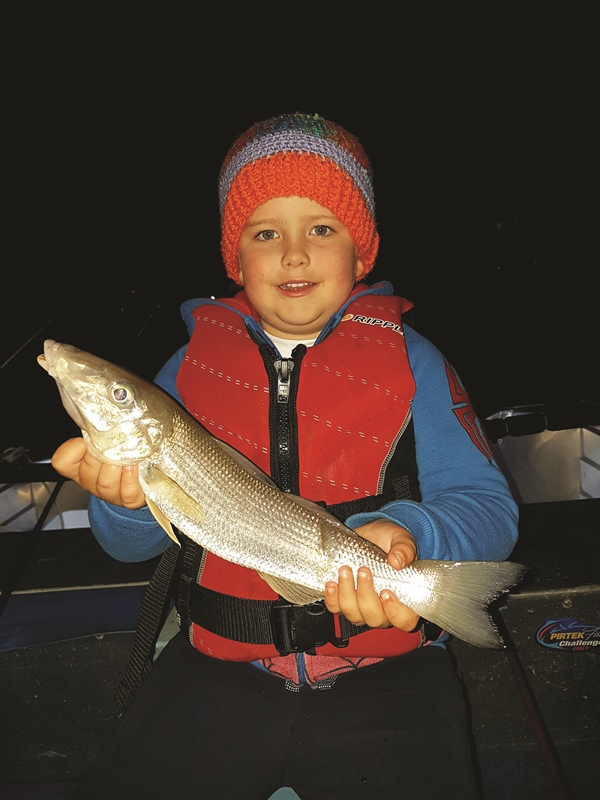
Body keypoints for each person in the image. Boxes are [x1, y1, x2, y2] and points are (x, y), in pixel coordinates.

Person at [52, 112, 519, 800]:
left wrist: (411, 535)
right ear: (233, 258)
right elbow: (126, 547)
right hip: (216, 668)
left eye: (322, 229)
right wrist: (117, 498)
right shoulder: (182, 375)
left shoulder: (415, 363)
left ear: (363, 253)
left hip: (388, 678)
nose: (293, 253)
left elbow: (489, 509)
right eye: (265, 232)